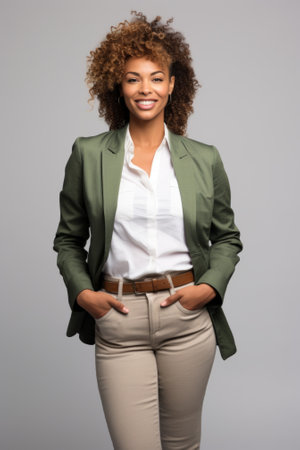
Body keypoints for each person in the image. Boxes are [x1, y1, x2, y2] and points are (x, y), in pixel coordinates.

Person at [53, 11, 243, 450]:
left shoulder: (204, 158)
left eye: (156, 78)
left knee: (182, 444)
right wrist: (83, 294)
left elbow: (227, 238)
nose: (146, 89)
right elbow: (67, 239)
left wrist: (209, 288)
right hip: (119, 321)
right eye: (133, 79)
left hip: (187, 316)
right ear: (118, 86)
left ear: (173, 85)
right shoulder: (88, 154)